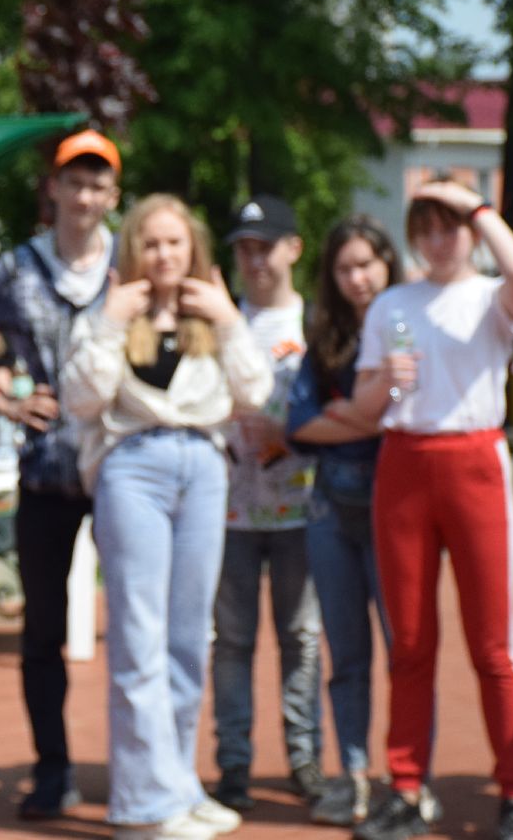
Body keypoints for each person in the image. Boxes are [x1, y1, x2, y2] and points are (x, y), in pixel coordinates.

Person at [62, 194, 272, 840]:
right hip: (135, 468)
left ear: (194, 250)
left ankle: (178, 782)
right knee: (139, 635)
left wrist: (231, 321)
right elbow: (80, 397)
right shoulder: (110, 312)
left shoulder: (212, 312)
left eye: (175, 243)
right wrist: (109, 321)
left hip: (205, 469)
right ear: (133, 251)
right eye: (151, 243)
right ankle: (141, 805)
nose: (163, 255)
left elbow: (256, 393)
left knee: (188, 638)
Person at [349, 180, 513, 840]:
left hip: (475, 461)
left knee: (492, 643)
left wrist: (474, 203)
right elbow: (366, 405)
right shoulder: (392, 303)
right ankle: (404, 785)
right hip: (403, 463)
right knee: (408, 639)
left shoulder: (490, 296)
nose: (439, 239)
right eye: (426, 226)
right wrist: (383, 382)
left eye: (451, 225)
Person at [0, 129, 121, 819]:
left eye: (98, 184)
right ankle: (52, 767)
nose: (84, 196)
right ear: (53, 189)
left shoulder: (134, 263)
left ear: (113, 194)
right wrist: (2, 395)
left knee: (141, 627)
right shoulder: (19, 266)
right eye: (73, 181)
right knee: (42, 630)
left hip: (124, 467)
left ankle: (141, 767)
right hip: (47, 468)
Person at [286, 215, 408, 827]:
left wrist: (345, 414)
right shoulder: (326, 339)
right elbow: (299, 425)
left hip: (398, 512)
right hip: (331, 511)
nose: (358, 278)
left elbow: (411, 418)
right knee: (347, 655)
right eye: (345, 268)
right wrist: (368, 415)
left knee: (405, 652)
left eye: (367, 263)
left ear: (388, 262)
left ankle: (408, 780)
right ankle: (354, 774)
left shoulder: (410, 326)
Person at [210, 195, 324, 811]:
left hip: (303, 512)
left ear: (293, 248)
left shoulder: (315, 323)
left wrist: (294, 438)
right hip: (227, 510)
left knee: (301, 636)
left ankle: (304, 756)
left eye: (264, 246)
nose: (253, 259)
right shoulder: (221, 318)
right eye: (243, 248)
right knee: (231, 641)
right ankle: (234, 763)